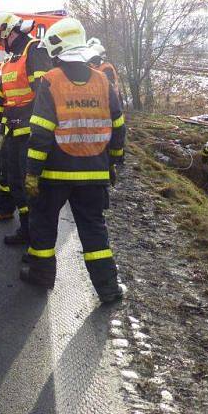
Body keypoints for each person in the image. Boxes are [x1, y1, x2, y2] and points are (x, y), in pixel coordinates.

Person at [21, 17, 126, 304]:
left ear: (57, 50)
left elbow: (41, 132)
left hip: (55, 174)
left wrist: (32, 173)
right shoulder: (103, 80)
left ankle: (42, 277)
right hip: (93, 173)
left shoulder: (51, 81)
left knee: (43, 225)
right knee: (94, 231)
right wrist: (113, 163)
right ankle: (108, 289)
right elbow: (118, 127)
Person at [0, 12, 51, 246]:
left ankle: (34, 235)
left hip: (29, 133)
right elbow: (4, 94)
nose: (0, 45)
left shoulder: (35, 50)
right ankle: (25, 228)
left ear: (7, 32)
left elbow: (43, 94)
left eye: (0, 40)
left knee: (27, 184)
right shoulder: (11, 59)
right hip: (13, 131)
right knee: (13, 180)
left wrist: (35, 129)